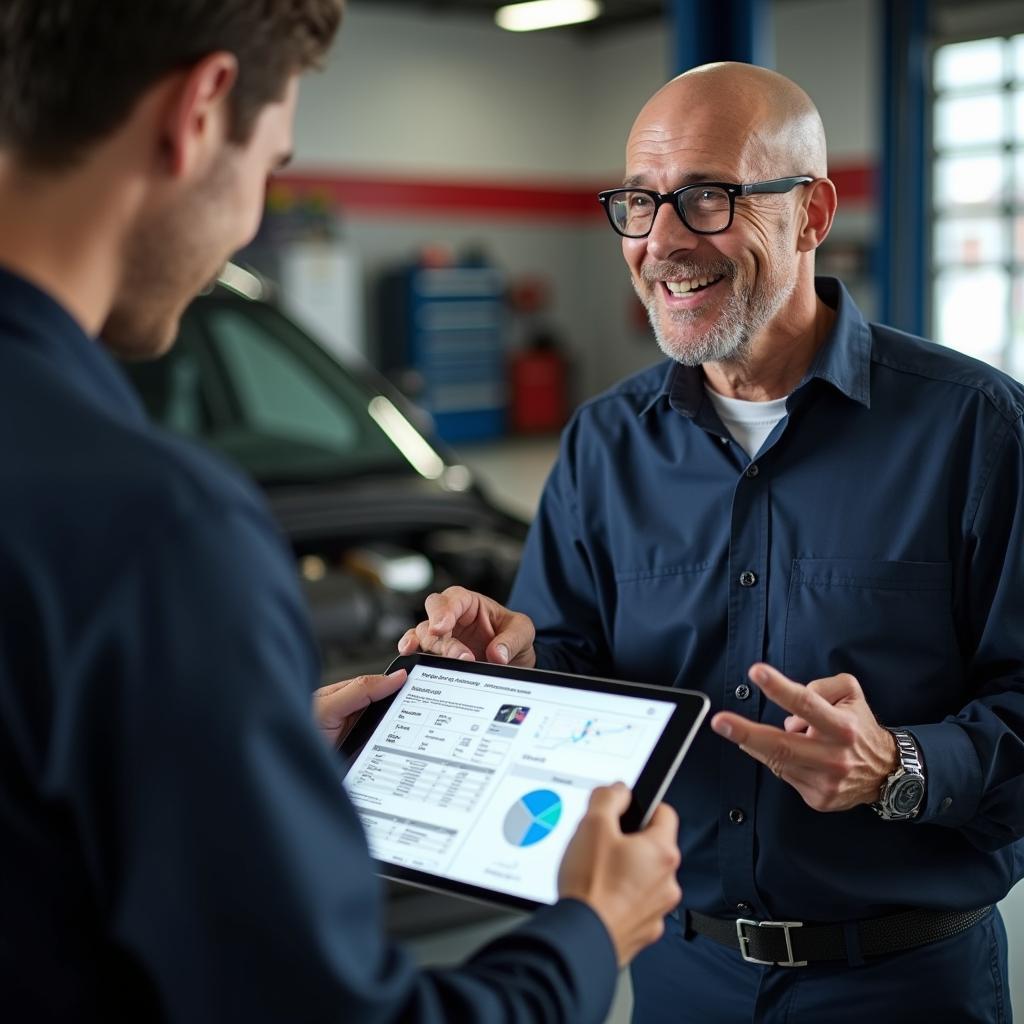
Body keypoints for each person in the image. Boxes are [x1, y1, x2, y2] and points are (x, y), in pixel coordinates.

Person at [0, 3, 684, 1021]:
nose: (245, 221)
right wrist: (586, 930)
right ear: (200, 112)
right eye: (270, 164)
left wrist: (239, 742)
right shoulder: (161, 531)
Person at [401, 62, 1024, 1022]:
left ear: (812, 213)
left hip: (902, 985)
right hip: (679, 970)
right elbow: (581, 668)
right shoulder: (604, 442)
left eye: (706, 197)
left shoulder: (976, 429)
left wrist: (898, 765)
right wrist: (516, 663)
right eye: (639, 203)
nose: (661, 242)